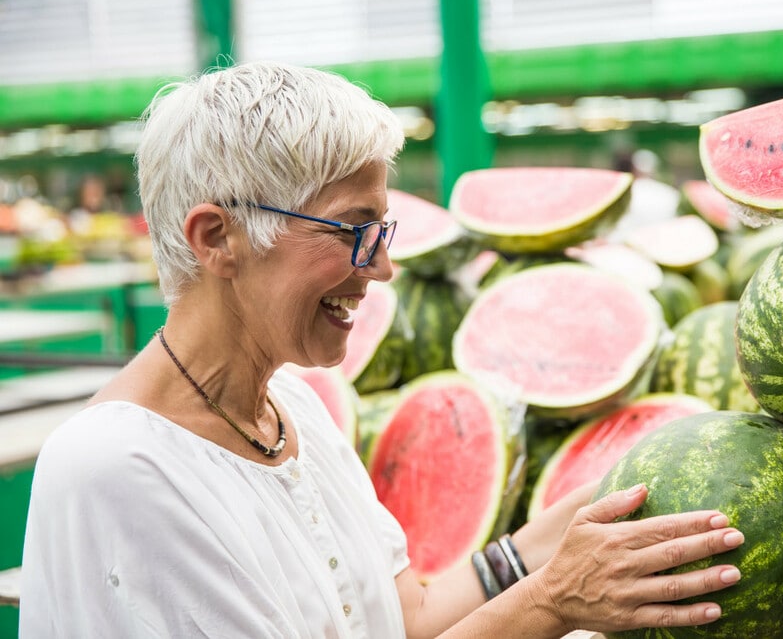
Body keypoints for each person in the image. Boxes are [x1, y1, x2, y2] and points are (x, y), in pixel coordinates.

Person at [18, 62, 744, 638]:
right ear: (218, 238)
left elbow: (407, 619)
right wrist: (554, 602)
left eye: (384, 230)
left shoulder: (291, 405)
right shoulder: (117, 469)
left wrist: (546, 541)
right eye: (351, 230)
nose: (383, 268)